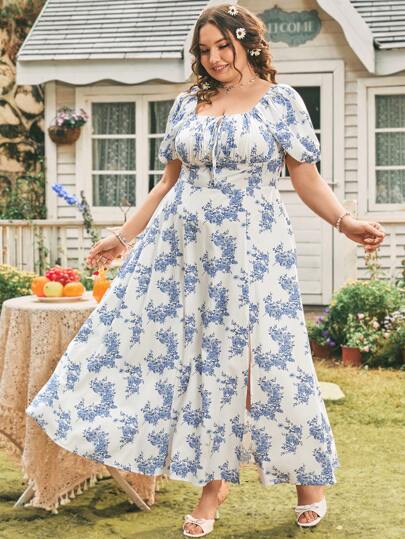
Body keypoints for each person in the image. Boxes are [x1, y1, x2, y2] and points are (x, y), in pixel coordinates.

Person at [26, 3, 385, 537]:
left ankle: (304, 479)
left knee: (268, 359)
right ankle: (213, 483)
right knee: (184, 356)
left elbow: (306, 177)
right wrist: (123, 238)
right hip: (181, 252)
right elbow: (166, 184)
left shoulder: (280, 102)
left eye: (223, 46)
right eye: (205, 50)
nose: (214, 58)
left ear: (248, 42)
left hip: (253, 250)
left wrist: (345, 221)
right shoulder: (187, 103)